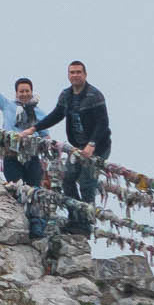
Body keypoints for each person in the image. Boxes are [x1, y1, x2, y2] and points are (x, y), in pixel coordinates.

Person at [0, 50, 48, 238]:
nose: (24, 94)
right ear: (16, 93)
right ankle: (18, 223)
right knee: (16, 187)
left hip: (32, 157)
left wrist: (48, 156)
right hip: (11, 156)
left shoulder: (40, 113)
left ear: (31, 92)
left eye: (27, 91)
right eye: (21, 91)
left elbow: (46, 136)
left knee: (35, 191)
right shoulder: (8, 106)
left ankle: (37, 226)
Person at [35, 59, 112, 237]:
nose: (75, 75)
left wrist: (92, 144)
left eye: (78, 72)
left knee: (86, 183)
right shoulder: (66, 95)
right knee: (67, 180)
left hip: (98, 146)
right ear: (68, 75)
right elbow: (56, 115)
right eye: (72, 72)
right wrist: (35, 128)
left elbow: (102, 123)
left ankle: (86, 225)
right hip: (77, 147)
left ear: (85, 74)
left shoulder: (94, 95)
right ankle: (75, 218)